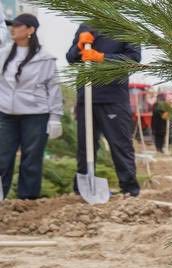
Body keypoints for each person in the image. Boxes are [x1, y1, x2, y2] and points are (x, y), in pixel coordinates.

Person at [66, 21, 142, 197]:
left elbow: (133, 59)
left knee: (120, 143)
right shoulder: (85, 27)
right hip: (86, 94)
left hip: (113, 96)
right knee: (85, 145)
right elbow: (71, 58)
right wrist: (79, 46)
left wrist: (100, 57)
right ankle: (83, 188)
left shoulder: (126, 27)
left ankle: (129, 188)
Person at [1, 13, 62, 200]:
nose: (13, 28)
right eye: (12, 25)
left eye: (18, 25)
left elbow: (53, 89)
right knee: (2, 158)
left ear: (30, 30)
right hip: (5, 114)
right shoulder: (3, 54)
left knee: (31, 160)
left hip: (35, 115)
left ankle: (27, 201)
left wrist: (55, 118)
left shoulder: (45, 59)